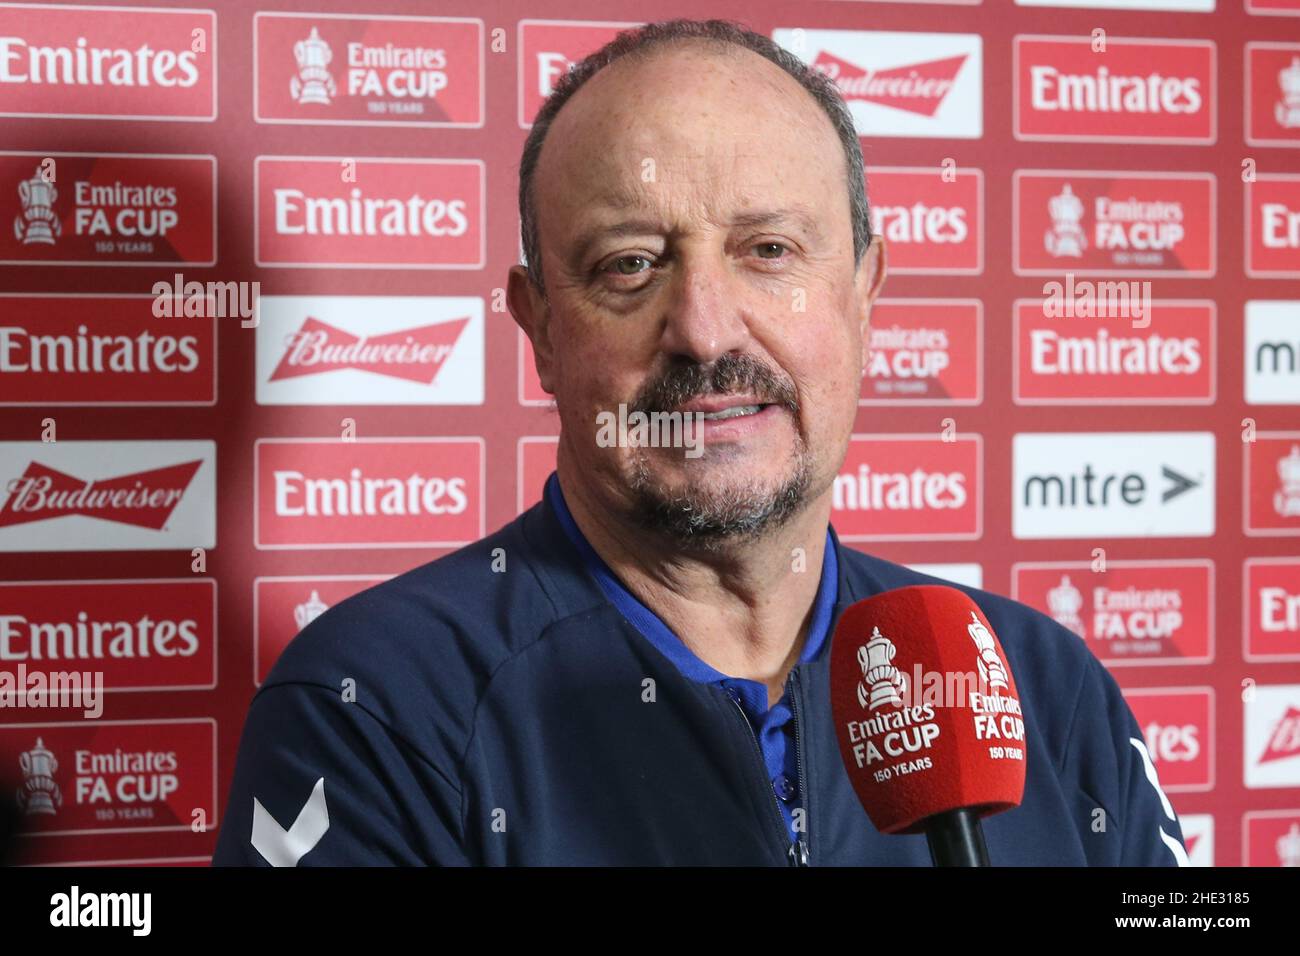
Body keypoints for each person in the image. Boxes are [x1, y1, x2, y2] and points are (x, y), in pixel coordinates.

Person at [213, 18, 1187, 866]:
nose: (707, 328)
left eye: (768, 250)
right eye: (630, 263)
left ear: (862, 296)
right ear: (542, 329)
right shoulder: (377, 706)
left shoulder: (1040, 684)